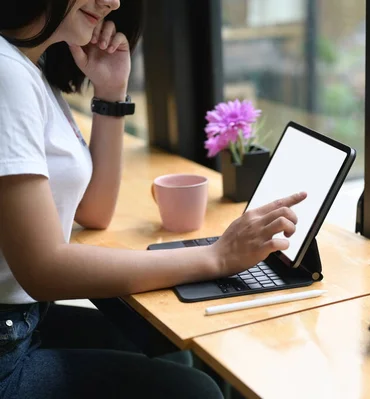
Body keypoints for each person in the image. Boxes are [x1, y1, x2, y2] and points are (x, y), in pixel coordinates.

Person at [0, 1, 306, 398]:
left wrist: (111, 92)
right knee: (197, 392)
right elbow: (42, 269)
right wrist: (217, 256)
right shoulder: (7, 75)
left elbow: (93, 211)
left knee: (170, 354)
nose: (113, 2)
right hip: (8, 351)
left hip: (23, 321)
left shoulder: (28, 68)